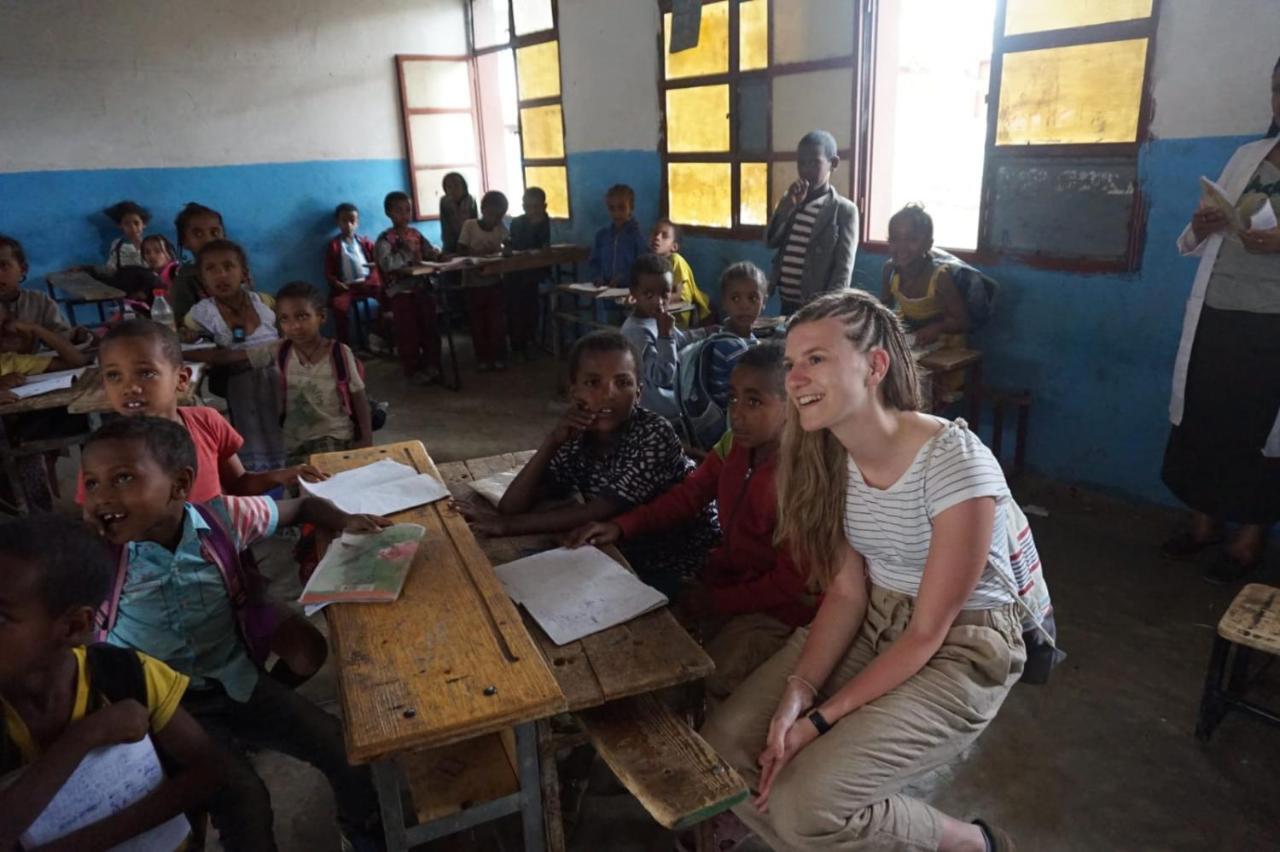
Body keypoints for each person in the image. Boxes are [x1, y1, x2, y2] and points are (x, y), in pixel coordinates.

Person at [702, 290, 1026, 852]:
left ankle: (971, 843)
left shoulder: (954, 462)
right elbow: (848, 594)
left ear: (875, 366)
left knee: (806, 804)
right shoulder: (824, 459)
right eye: (791, 364)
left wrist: (818, 721)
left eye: (816, 359)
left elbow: (927, 631)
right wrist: (795, 697)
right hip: (872, 615)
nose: (795, 378)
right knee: (725, 750)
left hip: (961, 642)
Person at [80, 416, 388, 851]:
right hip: (164, 713)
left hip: (234, 679)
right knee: (244, 801)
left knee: (341, 747)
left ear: (180, 484)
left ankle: (365, 833)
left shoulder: (223, 519)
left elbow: (301, 507)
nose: (101, 498)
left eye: (123, 478)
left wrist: (343, 519)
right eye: (91, 483)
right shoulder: (96, 557)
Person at [569, 343, 812, 703]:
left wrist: (718, 601)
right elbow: (690, 495)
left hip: (778, 611)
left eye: (754, 401)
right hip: (725, 580)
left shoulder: (800, 477)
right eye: (732, 399)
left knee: (705, 676)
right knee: (647, 649)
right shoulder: (735, 445)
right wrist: (622, 526)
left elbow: (791, 582)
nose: (736, 414)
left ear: (791, 405)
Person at [0, 514, 223, 852]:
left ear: (74, 626)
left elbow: (207, 771)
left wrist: (87, 842)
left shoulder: (127, 674)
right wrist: (85, 737)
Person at [458, 330, 717, 597]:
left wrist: (507, 526)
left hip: (685, 553)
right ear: (574, 393)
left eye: (622, 382)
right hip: (625, 541)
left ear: (638, 393)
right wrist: (552, 442)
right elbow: (512, 505)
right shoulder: (576, 434)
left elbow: (599, 510)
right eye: (593, 382)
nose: (608, 394)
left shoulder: (653, 433)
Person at [1163, 56, 1280, 585]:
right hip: (1216, 310)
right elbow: (1200, 233)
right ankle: (1204, 522)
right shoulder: (1248, 154)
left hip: (1270, 322)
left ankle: (1248, 540)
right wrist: (1204, 223)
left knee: (1256, 431)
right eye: (1279, 89)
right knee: (1204, 419)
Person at [77, 319, 324, 504]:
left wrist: (283, 476)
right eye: (113, 376)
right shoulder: (104, 452)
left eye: (146, 373)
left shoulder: (206, 422)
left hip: (221, 547)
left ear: (182, 379)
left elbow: (238, 484)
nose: (129, 387)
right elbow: (97, 520)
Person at [184, 240, 286, 473]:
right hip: (242, 385)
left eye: (229, 266)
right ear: (202, 278)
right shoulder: (202, 313)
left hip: (279, 379)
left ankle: (289, 473)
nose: (221, 275)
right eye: (211, 269)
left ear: (244, 273)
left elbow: (285, 338)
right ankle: (261, 478)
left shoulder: (263, 302)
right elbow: (196, 347)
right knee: (252, 431)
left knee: (283, 426)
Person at [271, 282, 374, 465]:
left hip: (333, 435)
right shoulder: (280, 351)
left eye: (302, 316)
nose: (294, 326)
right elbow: (243, 355)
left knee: (326, 483)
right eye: (284, 319)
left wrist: (366, 438)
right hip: (294, 440)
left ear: (322, 317)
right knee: (300, 488)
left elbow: (358, 396)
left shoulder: (339, 353)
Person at [766, 130, 858, 314]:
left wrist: (828, 308)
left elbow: (843, 269)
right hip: (787, 303)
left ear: (833, 163)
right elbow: (770, 241)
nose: (806, 169)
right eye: (801, 163)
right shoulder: (791, 201)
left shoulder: (844, 210)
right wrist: (786, 207)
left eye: (815, 163)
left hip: (818, 308)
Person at [619, 253, 703, 423]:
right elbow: (662, 377)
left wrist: (709, 332)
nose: (659, 302)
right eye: (649, 294)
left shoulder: (654, 319)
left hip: (670, 402)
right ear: (634, 293)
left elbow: (680, 339)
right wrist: (665, 336)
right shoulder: (635, 332)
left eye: (665, 294)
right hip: (655, 414)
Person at [376, 190, 443, 383]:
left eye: (408, 210)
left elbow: (428, 252)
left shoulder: (415, 234)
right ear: (388, 213)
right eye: (399, 211)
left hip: (421, 288)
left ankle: (432, 365)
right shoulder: (385, 239)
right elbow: (386, 263)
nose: (404, 215)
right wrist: (405, 254)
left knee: (429, 328)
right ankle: (413, 370)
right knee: (409, 333)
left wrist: (437, 255)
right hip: (401, 293)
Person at [880, 203, 969, 350]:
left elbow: (963, 322)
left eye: (912, 239)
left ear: (929, 244)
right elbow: (884, 308)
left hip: (947, 348)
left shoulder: (940, 277)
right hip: (916, 343)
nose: (902, 246)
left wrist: (937, 328)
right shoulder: (889, 270)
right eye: (895, 239)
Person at [0, 234, 90, 350]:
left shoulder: (39, 302)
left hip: (34, 365)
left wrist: (77, 335)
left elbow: (62, 337)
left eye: (3, 265)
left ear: (23, 269)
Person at [457, 190, 511, 371]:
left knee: (496, 322)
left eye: (499, 216)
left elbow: (509, 244)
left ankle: (498, 356)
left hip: (494, 282)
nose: (494, 219)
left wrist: (507, 249)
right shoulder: (470, 225)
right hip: (473, 283)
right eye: (492, 214)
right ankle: (483, 358)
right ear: (482, 209)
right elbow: (461, 250)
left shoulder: (499, 227)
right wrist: (478, 255)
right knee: (478, 323)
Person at [322, 202, 382, 348]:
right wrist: (336, 283)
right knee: (339, 308)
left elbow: (379, 262)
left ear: (357, 222)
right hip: (346, 287)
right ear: (338, 222)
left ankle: (378, 334)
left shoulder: (365, 242)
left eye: (352, 221)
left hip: (367, 284)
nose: (348, 225)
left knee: (388, 297)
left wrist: (373, 276)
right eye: (344, 221)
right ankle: (345, 347)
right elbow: (329, 271)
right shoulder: (334, 245)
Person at [506, 186, 552, 360]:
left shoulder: (546, 222)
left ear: (544, 206)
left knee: (530, 306)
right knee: (514, 306)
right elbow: (513, 244)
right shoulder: (517, 222)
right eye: (527, 206)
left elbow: (546, 248)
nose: (531, 210)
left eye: (536, 206)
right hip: (515, 271)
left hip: (535, 273)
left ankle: (530, 341)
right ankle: (518, 345)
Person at [169, 203, 227, 325]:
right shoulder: (185, 280)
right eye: (198, 234)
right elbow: (182, 324)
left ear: (224, 236)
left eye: (215, 232)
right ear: (184, 241)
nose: (209, 240)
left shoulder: (239, 270)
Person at [649, 218, 711, 327]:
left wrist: (653, 301)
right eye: (655, 233)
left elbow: (678, 295)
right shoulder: (651, 262)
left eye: (664, 235)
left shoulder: (676, 260)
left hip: (680, 314)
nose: (657, 238)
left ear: (674, 246)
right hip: (662, 308)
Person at [590, 184, 647, 287]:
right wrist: (598, 277)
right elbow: (595, 262)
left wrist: (624, 279)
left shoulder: (637, 238)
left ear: (631, 208)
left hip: (628, 293)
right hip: (605, 293)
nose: (616, 213)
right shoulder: (602, 236)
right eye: (612, 208)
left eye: (622, 208)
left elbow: (642, 268)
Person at [102, 200, 150, 277]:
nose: (133, 228)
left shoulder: (150, 243)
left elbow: (153, 266)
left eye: (136, 223)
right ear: (120, 225)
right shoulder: (117, 244)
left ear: (143, 224)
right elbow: (111, 267)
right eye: (127, 224)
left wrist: (140, 248)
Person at [439, 172, 479, 255]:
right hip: (450, 242)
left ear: (464, 186)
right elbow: (445, 225)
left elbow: (474, 223)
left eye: (457, 185)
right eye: (449, 187)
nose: (453, 189)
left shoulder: (471, 200)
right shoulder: (444, 202)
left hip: (470, 241)